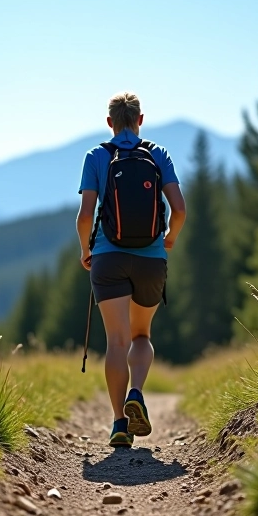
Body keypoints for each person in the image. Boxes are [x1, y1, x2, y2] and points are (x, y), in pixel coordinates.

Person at [76, 91, 186, 447]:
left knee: (116, 341)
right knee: (141, 337)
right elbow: (180, 209)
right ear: (140, 119)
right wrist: (168, 239)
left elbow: (85, 216)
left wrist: (85, 249)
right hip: (151, 259)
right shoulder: (157, 154)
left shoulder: (96, 157)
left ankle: (119, 424)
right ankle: (136, 392)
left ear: (110, 122)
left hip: (108, 258)